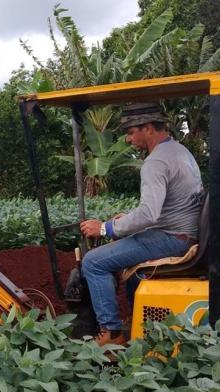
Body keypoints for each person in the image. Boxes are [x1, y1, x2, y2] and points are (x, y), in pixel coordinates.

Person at [79, 102, 203, 347]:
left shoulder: (155, 162)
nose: (128, 138)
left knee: (93, 262)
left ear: (147, 128)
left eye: (131, 132)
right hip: (184, 232)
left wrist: (105, 228)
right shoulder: (180, 152)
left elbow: (148, 213)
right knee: (129, 260)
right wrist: (124, 221)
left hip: (172, 238)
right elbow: (161, 208)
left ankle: (111, 333)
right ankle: (136, 319)